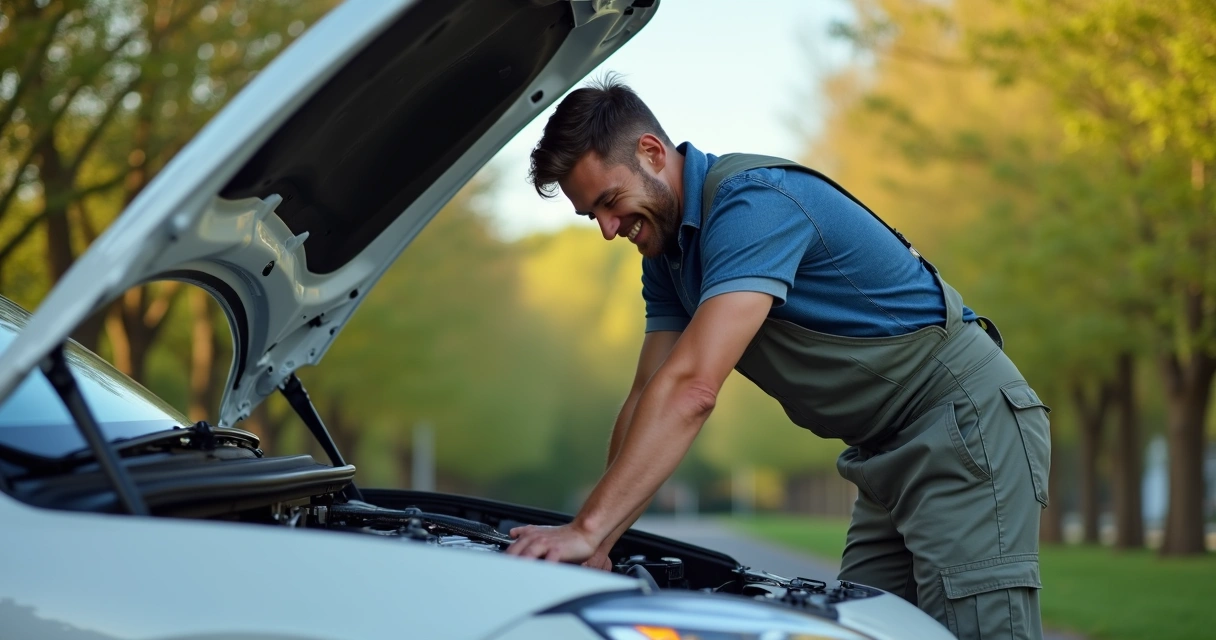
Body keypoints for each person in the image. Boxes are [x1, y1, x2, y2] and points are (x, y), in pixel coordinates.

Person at [504, 76, 1051, 640]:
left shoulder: (752, 204)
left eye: (609, 202)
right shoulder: (669, 255)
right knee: (863, 629)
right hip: (883, 453)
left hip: (962, 421)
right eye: (590, 216)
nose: (607, 229)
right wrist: (601, 538)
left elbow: (692, 389)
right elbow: (648, 393)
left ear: (651, 152)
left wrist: (589, 529)